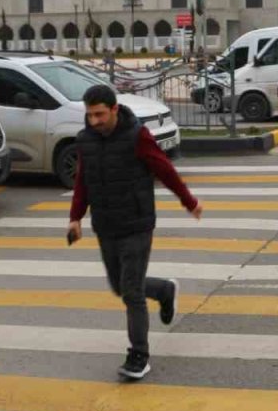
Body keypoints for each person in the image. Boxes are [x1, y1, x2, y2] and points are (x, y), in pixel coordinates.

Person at [67, 85, 203, 380]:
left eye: (100, 114)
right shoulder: (85, 140)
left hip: (137, 223)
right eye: (90, 115)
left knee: (130, 292)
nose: (95, 121)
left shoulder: (137, 136)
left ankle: (138, 355)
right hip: (105, 224)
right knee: (120, 286)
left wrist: (188, 201)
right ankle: (164, 290)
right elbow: (83, 180)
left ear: (115, 109)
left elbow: (164, 169)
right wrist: (75, 217)